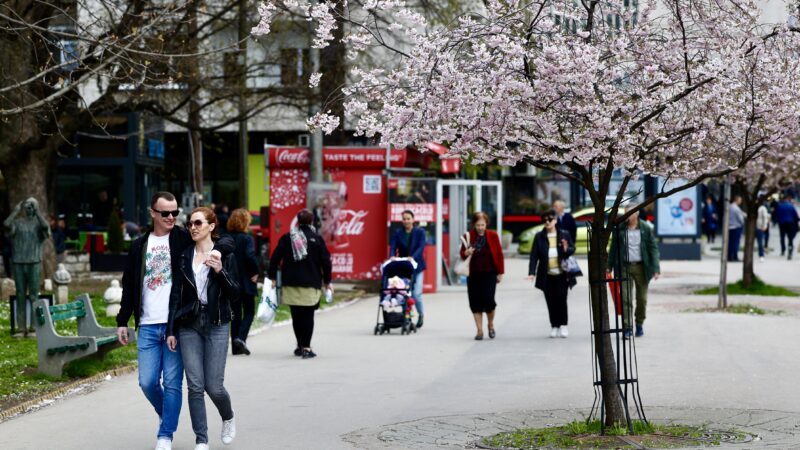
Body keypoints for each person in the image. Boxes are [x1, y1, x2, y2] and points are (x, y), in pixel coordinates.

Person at [116, 192, 233, 450]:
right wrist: (122, 320)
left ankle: (165, 435)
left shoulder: (182, 237)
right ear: (153, 213)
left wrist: (220, 251)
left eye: (175, 213)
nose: (172, 217)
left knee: (174, 383)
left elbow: (221, 238)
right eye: (165, 213)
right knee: (146, 382)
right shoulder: (139, 245)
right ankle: (167, 414)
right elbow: (130, 286)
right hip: (147, 324)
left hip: (176, 323)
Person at [166, 207, 240, 450]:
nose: (193, 227)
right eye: (190, 224)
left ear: (211, 226)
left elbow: (235, 293)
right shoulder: (185, 256)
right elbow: (175, 295)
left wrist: (219, 271)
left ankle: (228, 416)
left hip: (217, 322)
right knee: (195, 386)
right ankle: (202, 439)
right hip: (189, 323)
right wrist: (170, 329)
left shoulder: (224, 254)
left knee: (214, 387)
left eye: (198, 223)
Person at [268, 209, 332, 359]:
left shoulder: (287, 237)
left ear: (298, 221)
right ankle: (307, 347)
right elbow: (326, 262)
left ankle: (299, 346)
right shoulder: (317, 239)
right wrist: (327, 281)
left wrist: (272, 276)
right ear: (311, 222)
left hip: (290, 282)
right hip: (311, 282)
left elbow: (275, 257)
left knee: (296, 316)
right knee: (308, 316)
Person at [608, 206, 660, 338]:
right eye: (626, 213)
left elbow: (653, 248)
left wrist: (656, 269)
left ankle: (639, 323)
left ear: (636, 214)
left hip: (642, 267)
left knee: (642, 299)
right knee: (626, 298)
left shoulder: (645, 228)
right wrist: (609, 266)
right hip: (624, 267)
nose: (627, 216)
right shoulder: (620, 229)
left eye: (629, 213)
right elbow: (614, 248)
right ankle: (627, 327)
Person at [4, 198, 50, 336]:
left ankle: (33, 327)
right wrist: (15, 211)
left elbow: (46, 227)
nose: (28, 209)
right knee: (20, 295)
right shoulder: (18, 223)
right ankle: (20, 327)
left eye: (32, 207)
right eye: (27, 207)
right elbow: (6, 224)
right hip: (19, 262)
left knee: (34, 295)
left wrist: (38, 213)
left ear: (35, 208)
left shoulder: (38, 224)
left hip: (34, 262)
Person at [526, 209, 575, 338]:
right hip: (546, 275)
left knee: (561, 300)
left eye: (549, 220)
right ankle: (554, 326)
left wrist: (566, 248)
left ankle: (563, 325)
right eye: (544, 220)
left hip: (562, 274)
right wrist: (532, 272)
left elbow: (571, 249)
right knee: (550, 301)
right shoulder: (539, 236)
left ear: (555, 220)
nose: (547, 222)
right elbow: (534, 256)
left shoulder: (564, 234)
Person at [459, 211, 504, 340]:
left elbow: (499, 254)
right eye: (478, 225)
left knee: (489, 301)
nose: (480, 227)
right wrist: (466, 252)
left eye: (482, 225)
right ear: (474, 224)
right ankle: (479, 330)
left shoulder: (493, 235)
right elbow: (462, 254)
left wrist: (500, 272)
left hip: (489, 274)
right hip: (473, 274)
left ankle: (490, 324)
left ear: (486, 224)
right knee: (475, 303)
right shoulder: (468, 236)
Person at [227, 208, 260, 355]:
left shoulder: (226, 237)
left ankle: (236, 347)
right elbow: (250, 256)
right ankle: (240, 338)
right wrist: (256, 272)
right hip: (246, 280)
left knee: (235, 314)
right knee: (249, 311)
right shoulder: (246, 238)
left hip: (231, 281)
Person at [389, 210, 427, 328]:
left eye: (408, 218)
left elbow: (421, 247)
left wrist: (413, 257)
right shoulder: (398, 232)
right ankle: (407, 316)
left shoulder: (420, 232)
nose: (406, 221)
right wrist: (392, 256)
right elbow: (393, 245)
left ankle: (421, 314)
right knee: (405, 293)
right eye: (404, 219)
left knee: (416, 294)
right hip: (403, 266)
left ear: (413, 219)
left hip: (417, 267)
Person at [775, 194, 799, 259]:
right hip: (790, 223)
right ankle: (790, 251)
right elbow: (795, 216)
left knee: (782, 237)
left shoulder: (780, 206)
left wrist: (778, 221)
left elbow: (777, 215)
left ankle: (783, 250)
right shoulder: (791, 206)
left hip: (782, 223)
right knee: (790, 238)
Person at [728, 196, 745, 262]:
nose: (740, 202)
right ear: (737, 200)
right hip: (736, 227)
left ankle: (729, 256)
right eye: (740, 200)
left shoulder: (730, 207)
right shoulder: (736, 209)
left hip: (730, 227)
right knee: (736, 243)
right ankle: (735, 256)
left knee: (730, 242)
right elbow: (741, 219)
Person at [756, 197, 770, 262]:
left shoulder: (762, 208)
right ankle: (761, 254)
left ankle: (761, 255)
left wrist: (764, 226)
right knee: (760, 241)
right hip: (757, 226)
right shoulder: (757, 207)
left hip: (760, 227)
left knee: (760, 242)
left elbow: (765, 217)